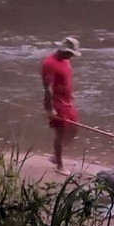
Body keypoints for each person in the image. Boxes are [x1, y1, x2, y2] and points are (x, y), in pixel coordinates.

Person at [41, 36, 81, 174]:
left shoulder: (66, 60)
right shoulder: (50, 63)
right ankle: (60, 165)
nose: (72, 56)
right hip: (57, 103)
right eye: (71, 53)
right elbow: (48, 88)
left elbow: (66, 80)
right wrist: (50, 108)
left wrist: (71, 94)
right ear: (64, 50)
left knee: (74, 129)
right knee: (60, 133)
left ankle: (56, 155)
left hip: (68, 101)